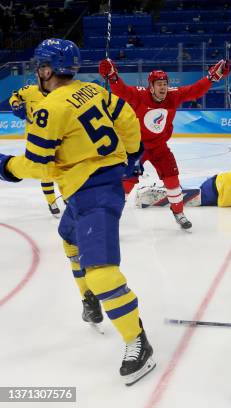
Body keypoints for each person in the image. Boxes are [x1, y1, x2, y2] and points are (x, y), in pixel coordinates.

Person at [0, 39, 155, 385]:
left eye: (40, 66)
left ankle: (137, 341)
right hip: (98, 183)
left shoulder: (48, 108)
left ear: (47, 70)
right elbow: (127, 116)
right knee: (68, 236)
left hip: (93, 193)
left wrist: (7, 167)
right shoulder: (92, 90)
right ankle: (89, 299)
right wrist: (132, 154)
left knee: (101, 270)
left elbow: (39, 166)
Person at [98, 57, 230, 229]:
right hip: (137, 147)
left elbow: (195, 90)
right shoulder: (140, 95)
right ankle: (111, 216)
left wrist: (212, 78)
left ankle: (179, 213)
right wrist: (112, 76)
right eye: (159, 84)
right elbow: (121, 91)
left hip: (160, 147)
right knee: (127, 181)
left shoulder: (173, 96)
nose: (163, 87)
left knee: (172, 178)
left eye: (165, 84)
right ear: (151, 87)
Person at [135, 156, 231, 214]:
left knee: (188, 197)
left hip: (216, 189)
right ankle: (146, 195)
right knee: (186, 198)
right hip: (216, 189)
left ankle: (149, 193)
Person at [9, 85, 61, 216]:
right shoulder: (29, 90)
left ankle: (67, 196)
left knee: (64, 168)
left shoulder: (62, 92)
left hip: (60, 137)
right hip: (37, 139)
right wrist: (16, 105)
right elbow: (15, 96)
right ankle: (51, 201)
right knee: (45, 170)